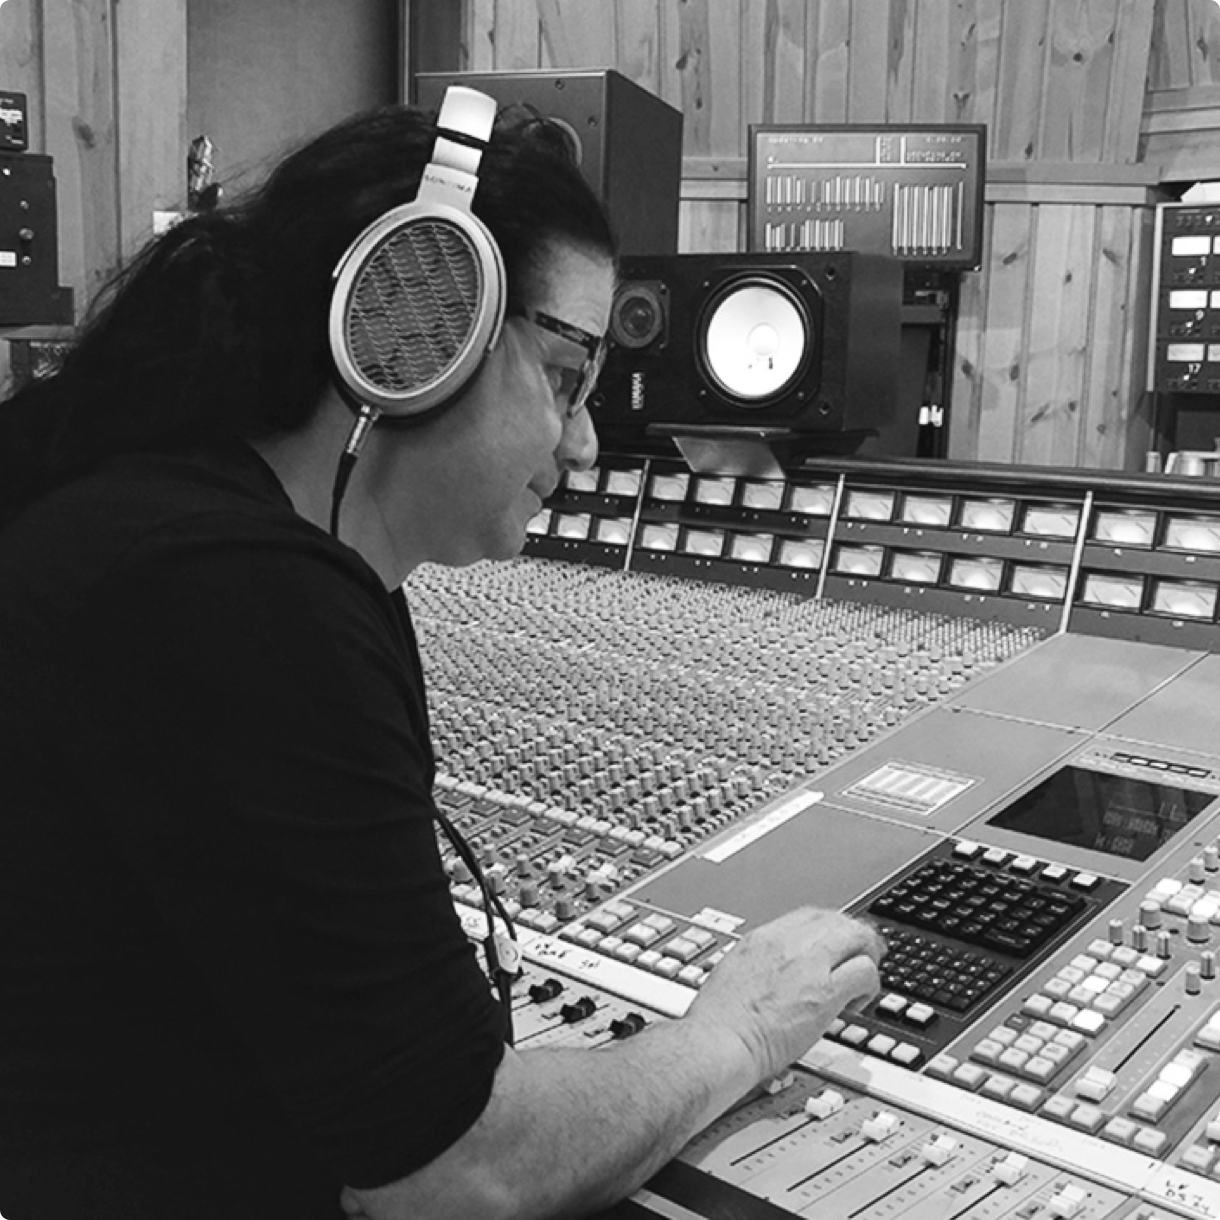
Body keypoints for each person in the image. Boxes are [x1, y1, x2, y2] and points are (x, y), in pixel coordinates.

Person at [0, 94, 884, 1220]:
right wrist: (735, 1030)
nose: (583, 440)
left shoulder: (165, 509)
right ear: (417, 322)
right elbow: (454, 1171)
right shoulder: (231, 590)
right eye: (567, 377)